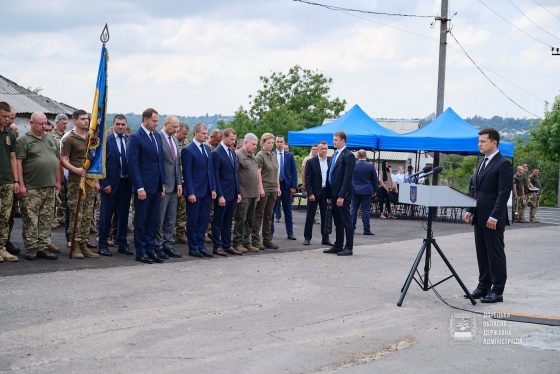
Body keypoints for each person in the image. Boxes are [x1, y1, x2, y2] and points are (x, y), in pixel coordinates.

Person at [464, 128, 513, 303]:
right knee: (482, 253)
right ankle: (483, 286)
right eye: (479, 141)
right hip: (479, 215)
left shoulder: (503, 163)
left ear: (494, 143)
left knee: (495, 254)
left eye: (483, 141)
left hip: (493, 217)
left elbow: (503, 193)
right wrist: (470, 210)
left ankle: (497, 290)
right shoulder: (481, 163)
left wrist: (494, 216)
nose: (479, 144)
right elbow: (475, 190)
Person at [16, 111, 62, 260]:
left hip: (49, 186)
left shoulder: (50, 139)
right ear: (31, 123)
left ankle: (43, 246)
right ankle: (31, 247)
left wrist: (58, 181)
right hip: (32, 187)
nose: (44, 126)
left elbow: (56, 160)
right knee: (31, 219)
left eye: (45, 124)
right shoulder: (24, 140)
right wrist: (21, 185)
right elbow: (18, 163)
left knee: (46, 218)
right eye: (40, 124)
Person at [127, 108, 167, 264]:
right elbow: (133, 164)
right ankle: (141, 250)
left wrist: (162, 183)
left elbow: (160, 162)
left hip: (156, 186)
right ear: (145, 120)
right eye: (154, 121)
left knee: (153, 219)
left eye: (157, 121)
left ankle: (151, 249)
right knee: (141, 219)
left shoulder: (156, 136)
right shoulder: (136, 137)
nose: (156, 124)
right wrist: (139, 187)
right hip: (143, 187)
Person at [61, 110, 100, 259]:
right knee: (76, 213)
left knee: (87, 213)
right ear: (74, 120)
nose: (86, 121)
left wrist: (96, 181)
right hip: (75, 180)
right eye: (83, 119)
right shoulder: (69, 138)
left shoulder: (91, 138)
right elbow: (63, 160)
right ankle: (75, 244)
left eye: (87, 119)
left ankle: (84, 243)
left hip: (89, 180)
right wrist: (75, 170)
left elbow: (94, 160)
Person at [97, 115, 133, 257]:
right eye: (117, 124)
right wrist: (104, 182)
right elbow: (102, 163)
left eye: (123, 124)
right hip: (110, 184)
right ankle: (103, 244)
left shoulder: (129, 141)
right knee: (106, 216)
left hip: (125, 183)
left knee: (124, 215)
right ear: (113, 125)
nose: (120, 126)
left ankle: (122, 243)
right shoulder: (106, 141)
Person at [182, 122, 216, 258]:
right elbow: (187, 173)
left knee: (204, 220)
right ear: (195, 133)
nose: (205, 136)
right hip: (195, 191)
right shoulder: (188, 150)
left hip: (207, 190)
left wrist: (213, 188)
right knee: (193, 220)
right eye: (203, 133)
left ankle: (201, 245)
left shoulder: (207, 149)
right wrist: (190, 192)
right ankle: (193, 247)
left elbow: (210, 170)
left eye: (206, 133)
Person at [153, 115, 183, 259]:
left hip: (174, 185)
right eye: (174, 127)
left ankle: (167, 244)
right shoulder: (157, 138)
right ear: (166, 124)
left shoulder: (175, 140)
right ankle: (157, 245)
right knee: (160, 216)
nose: (176, 129)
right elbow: (158, 164)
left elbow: (176, 164)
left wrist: (179, 183)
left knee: (171, 217)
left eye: (178, 127)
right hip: (163, 185)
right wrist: (162, 183)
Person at [324, 131, 356, 256]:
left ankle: (349, 247)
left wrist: (342, 195)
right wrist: (329, 195)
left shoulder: (348, 155)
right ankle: (338, 245)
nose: (334, 142)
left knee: (346, 221)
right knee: (337, 221)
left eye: (336, 140)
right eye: (333, 139)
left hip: (343, 194)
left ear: (343, 141)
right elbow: (330, 175)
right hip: (333, 193)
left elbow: (347, 177)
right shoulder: (334, 155)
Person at [211, 128, 242, 256]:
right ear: (224, 137)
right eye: (231, 139)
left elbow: (235, 173)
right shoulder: (217, 153)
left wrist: (238, 191)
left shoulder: (232, 152)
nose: (233, 141)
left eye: (234, 139)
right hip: (223, 193)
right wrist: (220, 195)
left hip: (232, 192)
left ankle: (226, 244)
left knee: (228, 220)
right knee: (218, 220)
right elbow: (216, 175)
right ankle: (217, 246)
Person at [252, 133, 281, 250]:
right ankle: (255, 239)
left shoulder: (273, 155)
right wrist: (260, 188)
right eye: (269, 143)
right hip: (264, 187)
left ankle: (267, 239)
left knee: (269, 215)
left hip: (273, 188)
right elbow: (258, 172)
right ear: (262, 143)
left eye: (272, 143)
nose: (271, 145)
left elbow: (277, 172)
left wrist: (278, 187)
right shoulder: (260, 156)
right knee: (259, 214)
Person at [232, 133, 260, 253]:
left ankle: (246, 242)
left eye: (256, 145)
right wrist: (238, 192)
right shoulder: (238, 155)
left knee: (250, 219)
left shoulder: (253, 156)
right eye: (253, 144)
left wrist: (258, 190)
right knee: (240, 219)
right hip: (243, 193)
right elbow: (234, 175)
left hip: (253, 193)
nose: (255, 147)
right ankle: (237, 242)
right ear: (245, 143)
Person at [303, 141, 333, 246]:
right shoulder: (311, 162)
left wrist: (330, 195)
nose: (323, 151)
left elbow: (331, 179)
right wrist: (310, 193)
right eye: (321, 149)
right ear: (317, 149)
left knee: (325, 216)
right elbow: (308, 179)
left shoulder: (330, 161)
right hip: (314, 192)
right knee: (310, 215)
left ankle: (325, 238)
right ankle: (307, 237)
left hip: (326, 191)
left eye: (325, 148)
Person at [0, 102, 19, 262]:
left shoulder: (10, 134)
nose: (8, 119)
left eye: (9, 117)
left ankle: (1, 248)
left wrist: (16, 180)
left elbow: (13, 159)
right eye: (4, 116)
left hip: (7, 181)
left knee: (5, 217)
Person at [271, 135, 298, 240]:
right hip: (274, 185)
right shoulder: (272, 154)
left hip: (286, 185)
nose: (279, 143)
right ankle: (270, 232)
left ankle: (290, 232)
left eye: (281, 141)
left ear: (284, 142)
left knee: (288, 210)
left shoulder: (289, 155)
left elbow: (294, 171)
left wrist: (294, 186)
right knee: (271, 210)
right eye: (277, 141)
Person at [350, 150, 379, 236]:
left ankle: (351, 228)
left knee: (353, 209)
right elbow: (375, 179)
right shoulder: (370, 166)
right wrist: (375, 190)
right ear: (366, 156)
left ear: (357, 156)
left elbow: (349, 177)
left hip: (355, 190)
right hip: (366, 191)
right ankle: (366, 229)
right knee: (365, 210)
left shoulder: (353, 165)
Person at [174, 122, 190, 244]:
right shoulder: (169, 142)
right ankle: (167, 232)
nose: (185, 136)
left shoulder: (187, 144)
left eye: (186, 134)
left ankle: (180, 232)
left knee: (182, 209)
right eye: (183, 134)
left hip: (183, 180)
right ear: (177, 131)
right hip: (171, 180)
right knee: (170, 209)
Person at [51, 114, 68, 230]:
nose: (65, 126)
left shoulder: (66, 136)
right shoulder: (51, 136)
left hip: (65, 168)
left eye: (67, 124)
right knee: (54, 198)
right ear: (57, 123)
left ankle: (61, 218)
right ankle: (53, 219)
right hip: (55, 168)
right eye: (63, 124)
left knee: (64, 196)